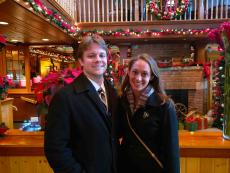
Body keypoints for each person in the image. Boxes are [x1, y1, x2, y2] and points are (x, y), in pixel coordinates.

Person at [44, 35, 119, 173]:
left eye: (102, 55)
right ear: (81, 61)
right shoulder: (65, 98)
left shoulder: (112, 93)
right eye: (91, 56)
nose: (98, 60)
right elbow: (56, 149)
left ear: (107, 59)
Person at [118, 53, 180, 173]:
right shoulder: (121, 101)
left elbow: (172, 151)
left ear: (151, 76)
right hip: (126, 168)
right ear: (128, 72)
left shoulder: (164, 106)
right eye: (135, 72)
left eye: (144, 74)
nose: (138, 78)